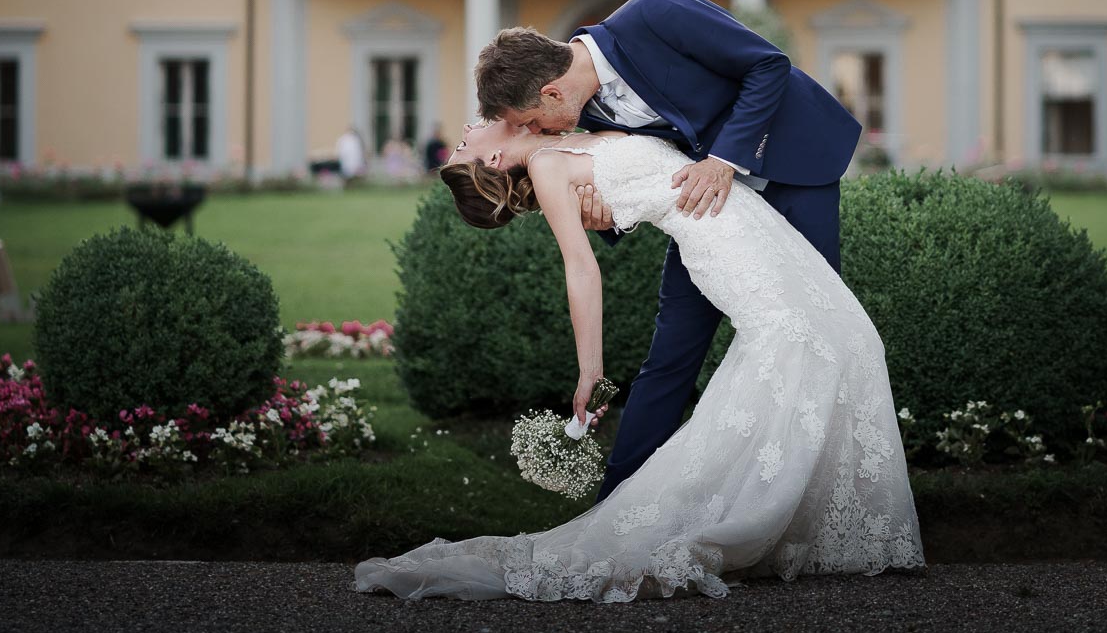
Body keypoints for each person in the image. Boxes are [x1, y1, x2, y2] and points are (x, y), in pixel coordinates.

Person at [351, 119, 922, 601]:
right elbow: (581, 269)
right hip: (721, 240)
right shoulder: (550, 168)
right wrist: (590, 371)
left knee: (849, 337)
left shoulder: (563, 133)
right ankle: (752, 516)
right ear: (495, 158)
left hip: (747, 220)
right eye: (462, 146)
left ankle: (818, 523)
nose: (466, 129)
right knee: (799, 344)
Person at [477, 0, 860, 504]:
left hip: (794, 167)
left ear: (549, 93)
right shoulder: (586, 115)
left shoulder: (654, 14)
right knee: (671, 353)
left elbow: (768, 66)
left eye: (529, 122)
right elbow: (644, 172)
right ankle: (615, 503)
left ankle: (812, 497)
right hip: (705, 219)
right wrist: (604, 219)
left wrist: (725, 159)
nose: (533, 134)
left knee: (816, 328)